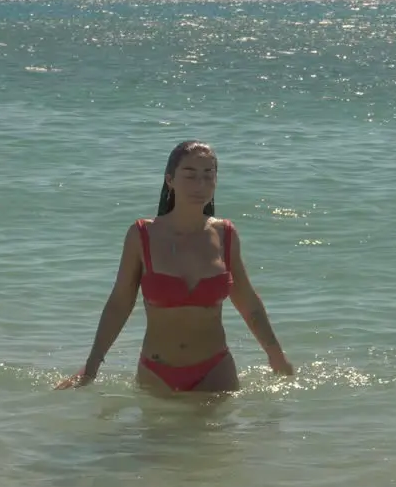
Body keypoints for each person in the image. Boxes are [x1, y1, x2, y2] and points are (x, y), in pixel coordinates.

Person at [57, 140, 294, 393]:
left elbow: (248, 302)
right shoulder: (142, 235)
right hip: (156, 372)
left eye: (208, 175)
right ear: (170, 179)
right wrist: (91, 366)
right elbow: (119, 303)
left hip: (216, 370)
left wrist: (276, 355)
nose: (200, 185)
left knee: (220, 433)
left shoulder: (225, 235)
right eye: (190, 175)